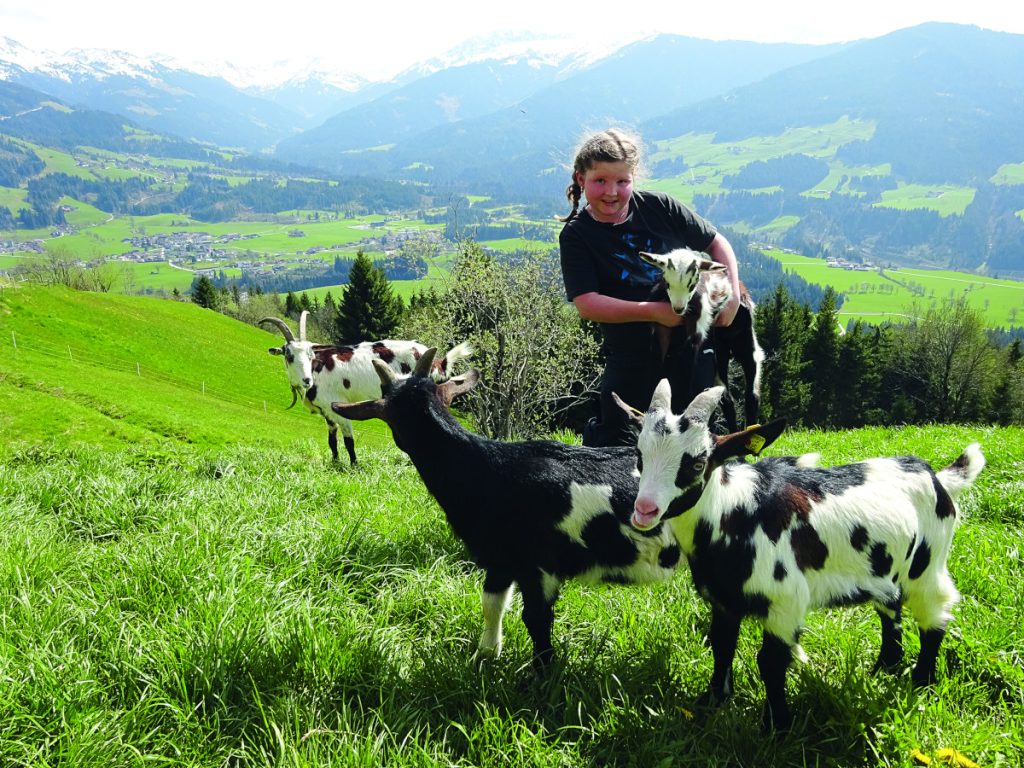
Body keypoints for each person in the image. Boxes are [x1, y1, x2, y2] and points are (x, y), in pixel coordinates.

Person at [558, 128, 742, 447]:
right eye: (600, 180)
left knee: (692, 441)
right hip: (631, 357)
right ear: (580, 178)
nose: (611, 192)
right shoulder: (577, 235)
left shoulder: (660, 208)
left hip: (692, 349)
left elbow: (716, 242)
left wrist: (733, 295)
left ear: (634, 179)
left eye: (622, 181)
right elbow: (587, 303)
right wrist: (655, 313)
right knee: (618, 443)